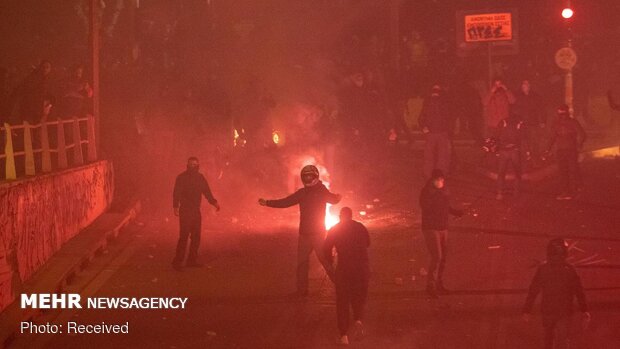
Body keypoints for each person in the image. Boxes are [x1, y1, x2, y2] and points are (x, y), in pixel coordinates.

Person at [259, 164, 342, 297]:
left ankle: (341, 286)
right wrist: (268, 203)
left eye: (310, 176)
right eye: (305, 177)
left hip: (317, 234)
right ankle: (302, 291)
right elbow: (286, 202)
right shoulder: (304, 193)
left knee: (325, 261)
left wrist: (337, 197)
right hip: (305, 234)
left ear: (315, 177)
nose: (308, 179)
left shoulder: (320, 191)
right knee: (302, 263)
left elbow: (332, 199)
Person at [522, 238, 590, 349]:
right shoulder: (569, 269)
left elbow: (533, 290)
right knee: (562, 340)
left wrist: (526, 310)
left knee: (549, 339)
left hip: (549, 310)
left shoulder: (544, 269)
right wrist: (585, 310)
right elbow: (579, 290)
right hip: (564, 311)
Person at [323, 207, 370, 345]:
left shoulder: (335, 229)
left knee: (343, 300)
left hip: (345, 268)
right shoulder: (360, 227)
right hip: (362, 268)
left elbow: (326, 248)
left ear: (340, 216)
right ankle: (358, 320)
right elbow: (368, 243)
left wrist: (331, 262)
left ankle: (343, 335)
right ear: (351, 216)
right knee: (358, 295)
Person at [419, 169, 463, 298]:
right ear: (433, 180)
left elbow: (446, 206)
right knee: (437, 256)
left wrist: (456, 212)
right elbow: (426, 207)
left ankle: (439, 283)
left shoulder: (444, 191)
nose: (441, 182)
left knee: (443, 257)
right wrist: (436, 196)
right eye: (438, 180)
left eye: (442, 180)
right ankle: (430, 286)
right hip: (431, 228)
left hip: (443, 228)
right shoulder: (427, 192)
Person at [172, 157, 220, 270]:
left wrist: (214, 202)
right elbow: (176, 193)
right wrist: (175, 206)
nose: (193, 167)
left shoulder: (200, 178)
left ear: (198, 165)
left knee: (196, 237)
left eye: (195, 165)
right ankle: (177, 262)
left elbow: (206, 192)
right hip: (185, 211)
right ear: (187, 165)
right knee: (184, 237)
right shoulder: (181, 178)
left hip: (196, 211)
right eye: (191, 164)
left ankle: (191, 260)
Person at [545, 105, 586, 200]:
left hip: (561, 150)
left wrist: (547, 149)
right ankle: (577, 188)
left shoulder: (556, 123)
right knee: (573, 169)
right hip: (571, 149)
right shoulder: (573, 122)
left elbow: (552, 138)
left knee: (563, 172)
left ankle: (566, 192)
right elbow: (582, 135)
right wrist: (579, 146)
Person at [418, 84, 454, 178]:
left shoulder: (427, 101)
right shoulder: (445, 102)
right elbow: (448, 117)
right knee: (442, 155)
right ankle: (441, 174)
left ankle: (428, 174)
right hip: (442, 131)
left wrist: (423, 126)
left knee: (429, 155)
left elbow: (422, 115)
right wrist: (449, 130)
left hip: (431, 131)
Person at [495, 111, 525, 200]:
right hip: (514, 150)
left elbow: (496, 135)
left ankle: (499, 193)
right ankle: (516, 193)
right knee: (517, 172)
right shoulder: (520, 123)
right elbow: (522, 137)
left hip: (503, 150)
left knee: (501, 172)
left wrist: (498, 149)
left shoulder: (503, 122)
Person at [514, 80, 546, 161]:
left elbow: (541, 109)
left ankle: (535, 156)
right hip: (522, 122)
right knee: (524, 139)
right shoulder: (518, 96)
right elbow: (515, 109)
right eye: (523, 85)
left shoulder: (535, 96)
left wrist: (543, 121)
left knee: (534, 139)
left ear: (529, 86)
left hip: (533, 121)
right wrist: (517, 120)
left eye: (526, 85)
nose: (525, 87)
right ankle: (526, 155)